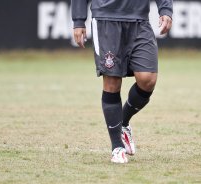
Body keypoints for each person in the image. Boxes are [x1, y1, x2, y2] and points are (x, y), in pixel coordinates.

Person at [71, 0, 173, 164]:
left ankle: (123, 123)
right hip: (106, 18)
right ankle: (117, 147)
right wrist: (78, 20)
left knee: (148, 79)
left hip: (140, 19)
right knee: (112, 82)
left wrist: (166, 9)